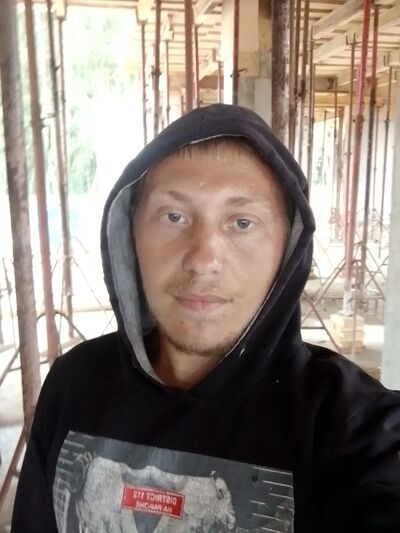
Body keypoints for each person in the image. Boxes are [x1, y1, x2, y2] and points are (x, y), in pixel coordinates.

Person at [12, 104, 400, 533]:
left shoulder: (352, 427)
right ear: (131, 236)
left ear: (287, 250)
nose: (202, 259)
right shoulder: (74, 385)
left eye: (242, 222)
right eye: (173, 216)